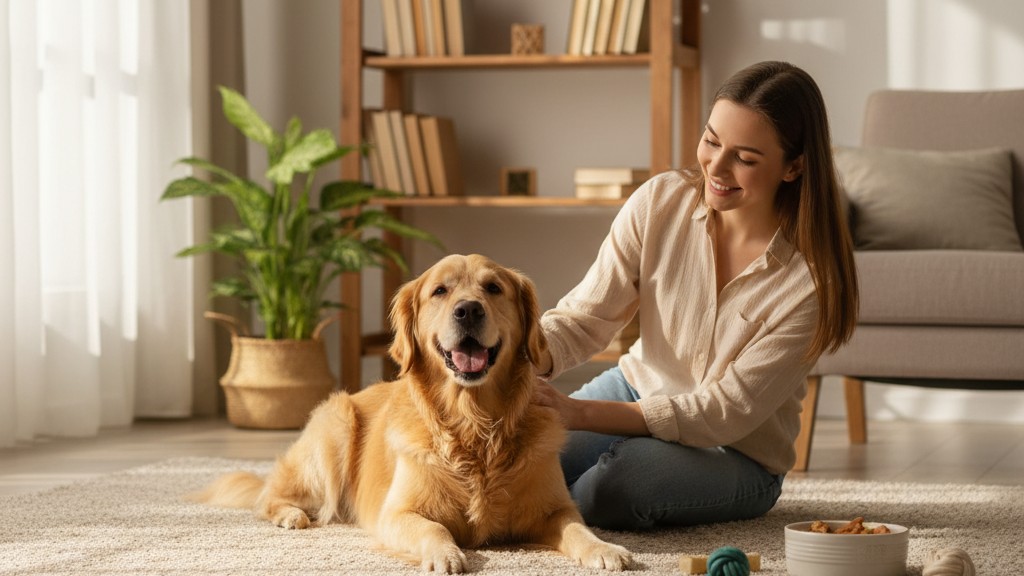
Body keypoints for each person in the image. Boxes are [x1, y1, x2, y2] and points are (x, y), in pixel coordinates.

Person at [532, 61, 859, 531]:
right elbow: (585, 317)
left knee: (607, 490)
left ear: (794, 166)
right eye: (711, 141)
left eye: (745, 158)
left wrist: (579, 412)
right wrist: (513, 356)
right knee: (524, 458)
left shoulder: (810, 283)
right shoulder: (658, 202)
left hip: (734, 451)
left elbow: (725, 412)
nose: (716, 168)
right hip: (636, 388)